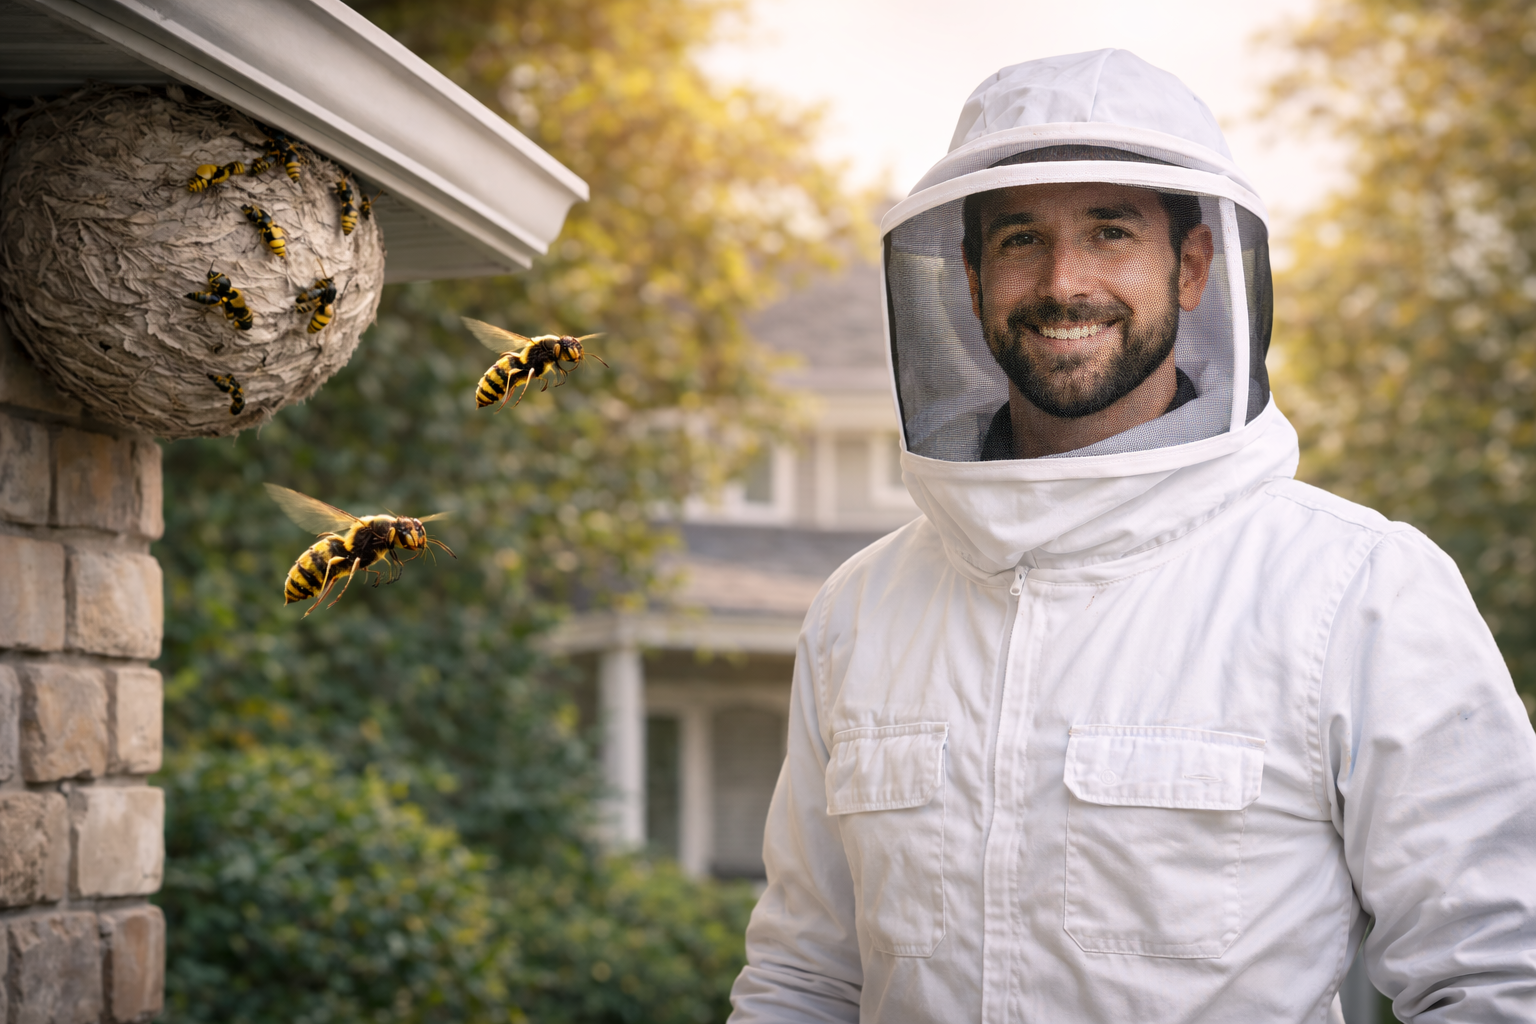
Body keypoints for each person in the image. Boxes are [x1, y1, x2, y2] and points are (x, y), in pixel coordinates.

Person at [728, 49, 1536, 1024]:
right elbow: (803, 983)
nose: (1064, 281)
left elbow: (1498, 977)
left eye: (1110, 232)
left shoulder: (1358, 588)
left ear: (1191, 267)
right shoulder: (860, 610)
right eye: (1022, 238)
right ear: (973, 278)